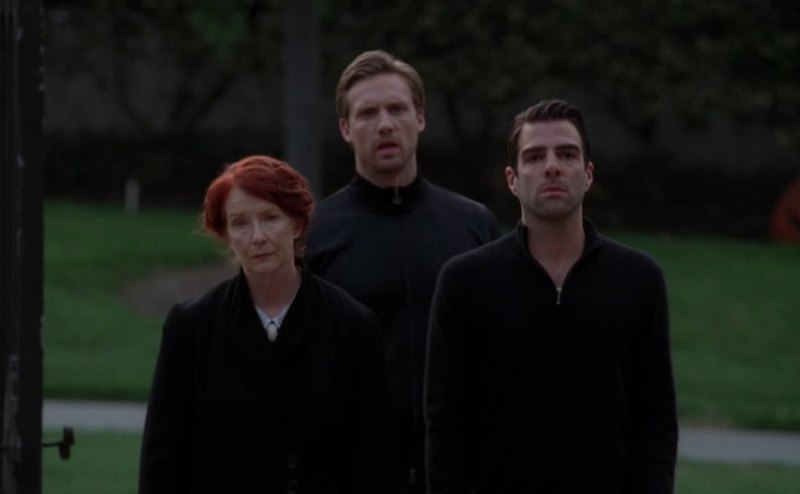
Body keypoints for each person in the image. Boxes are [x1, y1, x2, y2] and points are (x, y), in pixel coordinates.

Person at [425, 99, 678, 493]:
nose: (552, 166)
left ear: (588, 174)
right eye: (534, 156)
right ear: (512, 179)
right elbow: (446, 423)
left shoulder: (638, 279)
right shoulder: (464, 282)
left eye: (567, 154)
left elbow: (656, 418)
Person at [305, 50, 501, 492]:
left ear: (421, 118)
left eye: (397, 109)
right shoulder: (314, 234)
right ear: (345, 128)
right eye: (367, 113)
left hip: (458, 470)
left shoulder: (473, 225)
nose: (385, 125)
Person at [139, 155, 394, 494]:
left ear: (297, 224)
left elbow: (373, 464)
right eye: (240, 223)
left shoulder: (352, 325)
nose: (257, 237)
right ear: (226, 234)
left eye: (270, 218)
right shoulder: (191, 328)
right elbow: (162, 464)